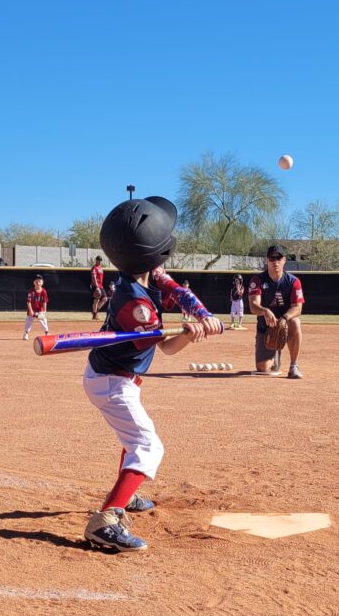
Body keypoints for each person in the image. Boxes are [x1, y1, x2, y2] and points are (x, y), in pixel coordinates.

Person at [83, 195, 223, 552]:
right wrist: (187, 335)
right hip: (112, 383)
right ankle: (106, 520)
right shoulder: (138, 306)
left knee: (134, 441)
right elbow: (165, 346)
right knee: (148, 445)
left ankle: (126, 496)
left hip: (116, 377)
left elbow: (176, 290)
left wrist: (201, 317)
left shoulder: (146, 275)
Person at [248, 244, 305, 379]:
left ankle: (293, 366)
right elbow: (253, 306)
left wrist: (284, 318)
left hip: (285, 324)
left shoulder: (293, 281)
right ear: (267, 260)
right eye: (272, 258)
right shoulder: (258, 280)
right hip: (265, 328)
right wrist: (265, 311)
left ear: (284, 260)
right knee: (263, 368)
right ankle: (275, 352)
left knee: (295, 322)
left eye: (279, 258)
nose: (275, 262)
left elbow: (298, 307)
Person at [23, 275, 50, 340]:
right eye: (36, 281)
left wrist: (44, 311)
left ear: (42, 282)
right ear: (34, 282)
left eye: (39, 281)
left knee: (43, 321)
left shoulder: (44, 291)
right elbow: (28, 302)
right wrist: (31, 311)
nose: (38, 283)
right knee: (28, 321)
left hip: (40, 309)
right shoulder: (31, 291)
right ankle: (26, 333)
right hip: (32, 309)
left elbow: (44, 301)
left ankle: (46, 332)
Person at [90, 256, 107, 320]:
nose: (99, 261)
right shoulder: (94, 268)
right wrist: (96, 287)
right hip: (96, 286)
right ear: (96, 260)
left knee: (105, 299)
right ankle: (94, 315)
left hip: (101, 286)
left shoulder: (100, 268)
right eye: (98, 260)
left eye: (100, 260)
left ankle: (95, 312)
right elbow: (94, 278)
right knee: (96, 300)